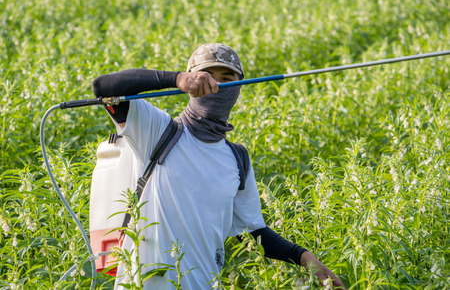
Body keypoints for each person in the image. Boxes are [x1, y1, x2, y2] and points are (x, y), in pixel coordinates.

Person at [93, 43, 345, 289]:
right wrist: (176, 78)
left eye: (227, 78)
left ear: (239, 86)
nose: (215, 85)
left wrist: (303, 257)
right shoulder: (156, 130)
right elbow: (103, 87)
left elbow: (251, 232)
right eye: (206, 76)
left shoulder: (236, 158)